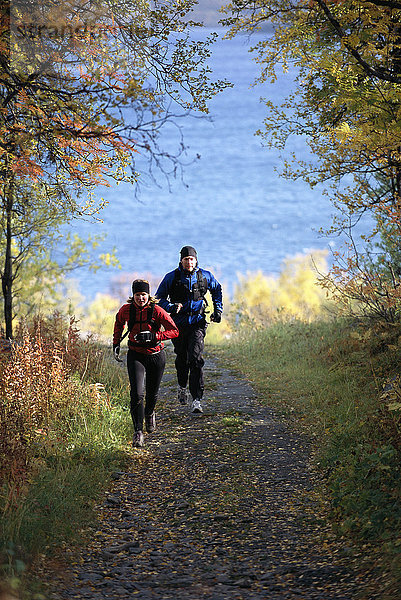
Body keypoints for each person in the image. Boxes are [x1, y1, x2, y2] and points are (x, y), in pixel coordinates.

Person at [156, 246, 223, 414]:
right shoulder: (172, 277)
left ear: (196, 260)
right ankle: (181, 386)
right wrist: (170, 306)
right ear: (181, 261)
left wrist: (218, 310)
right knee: (182, 358)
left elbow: (217, 290)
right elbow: (158, 299)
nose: (189, 262)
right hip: (177, 324)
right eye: (186, 260)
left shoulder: (205, 276)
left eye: (191, 259)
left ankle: (197, 400)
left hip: (198, 322)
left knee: (195, 359)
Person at [113, 279, 179, 448]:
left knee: (152, 393)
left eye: (143, 295)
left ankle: (149, 413)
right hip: (135, 355)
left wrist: (155, 336)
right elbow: (119, 323)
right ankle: (138, 432)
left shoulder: (157, 311)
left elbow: (174, 331)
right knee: (136, 394)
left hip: (156, 355)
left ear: (148, 295)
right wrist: (116, 343)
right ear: (133, 295)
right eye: (137, 295)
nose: (140, 298)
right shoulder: (126, 310)